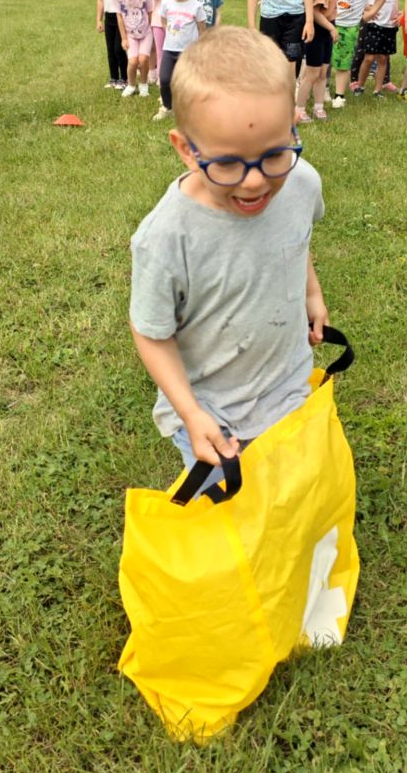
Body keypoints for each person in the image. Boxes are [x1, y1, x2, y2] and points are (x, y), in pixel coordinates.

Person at [129, 26, 328, 497]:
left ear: (293, 127)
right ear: (186, 149)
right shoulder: (166, 238)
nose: (254, 182)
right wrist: (191, 413)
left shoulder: (301, 183)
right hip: (212, 416)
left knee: (288, 508)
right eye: (227, 164)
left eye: (274, 154)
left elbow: (297, 239)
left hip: (288, 391)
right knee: (230, 524)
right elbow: (151, 332)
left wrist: (312, 293)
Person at [329, 0, 387, 108]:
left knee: (343, 62)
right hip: (328, 20)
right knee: (322, 60)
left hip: (350, 26)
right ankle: (321, 89)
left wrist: (370, 13)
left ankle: (339, 96)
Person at [295, 0, 345, 124]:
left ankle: (318, 106)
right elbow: (315, 11)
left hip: (325, 31)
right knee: (311, 74)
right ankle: (299, 109)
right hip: (318, 31)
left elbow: (325, 3)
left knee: (323, 72)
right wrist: (331, 28)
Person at [153, 0, 207, 122]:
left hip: (188, 52)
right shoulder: (167, 2)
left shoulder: (196, 6)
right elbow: (163, 21)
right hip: (169, 49)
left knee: (188, 83)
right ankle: (167, 107)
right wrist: (172, 35)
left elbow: (202, 30)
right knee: (164, 79)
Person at [109, 0, 153, 97]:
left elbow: (150, 12)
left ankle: (144, 84)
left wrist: (152, 31)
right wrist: (123, 38)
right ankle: (131, 85)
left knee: (144, 59)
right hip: (130, 35)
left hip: (146, 33)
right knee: (133, 61)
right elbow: (119, 17)